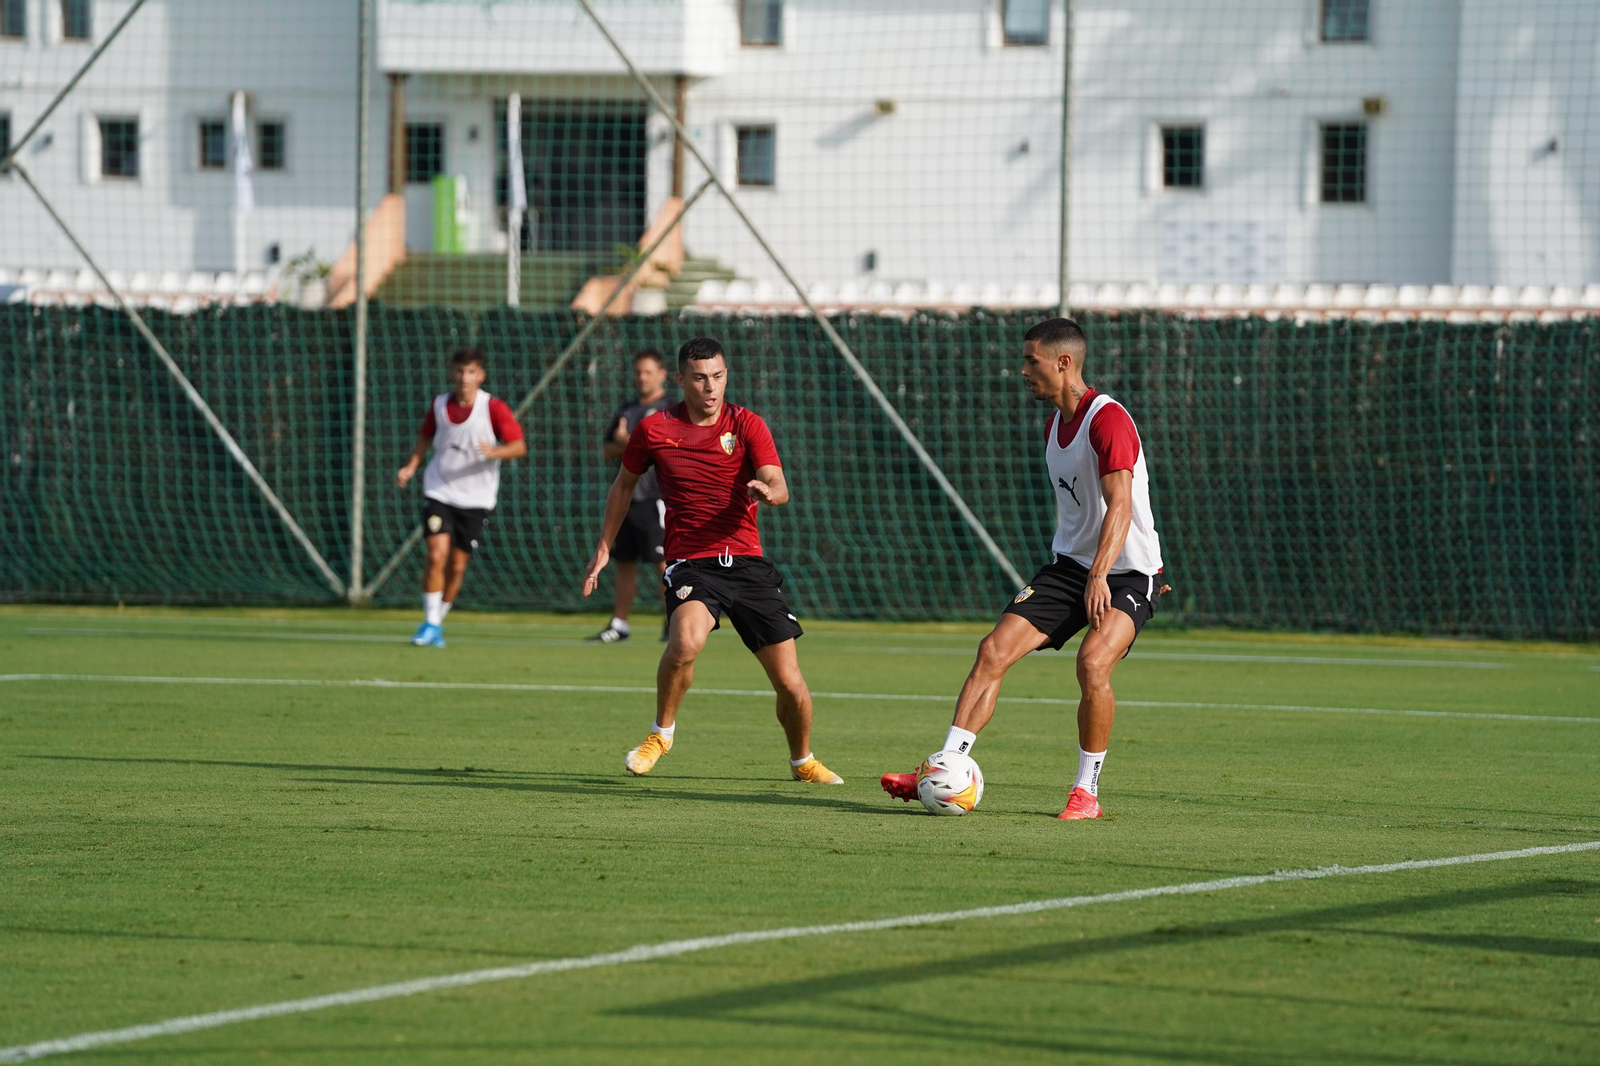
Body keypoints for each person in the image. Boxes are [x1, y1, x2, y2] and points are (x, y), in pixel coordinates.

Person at [880, 318, 1169, 819]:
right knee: (992, 651)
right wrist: (1084, 571)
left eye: (1030, 361)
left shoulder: (1108, 419)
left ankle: (1087, 792)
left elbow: (1119, 504)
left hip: (1127, 573)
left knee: (1092, 664)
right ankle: (945, 766)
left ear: (1064, 362)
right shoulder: (1054, 424)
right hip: (1069, 567)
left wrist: (1100, 574)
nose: (1022, 371)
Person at [581, 336, 843, 786]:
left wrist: (769, 492)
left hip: (747, 563)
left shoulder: (747, 424)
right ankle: (661, 734)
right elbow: (623, 485)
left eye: (718, 376)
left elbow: (778, 484)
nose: (710, 387)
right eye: (700, 378)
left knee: (791, 684)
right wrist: (604, 546)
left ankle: (803, 761)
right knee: (685, 643)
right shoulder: (654, 429)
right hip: (690, 562)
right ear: (680, 380)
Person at [396, 348, 527, 648]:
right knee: (436, 555)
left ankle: (436, 621)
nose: (464, 378)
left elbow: (518, 446)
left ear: (481, 375)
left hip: (476, 499)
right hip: (439, 490)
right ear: (452, 373)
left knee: (456, 566)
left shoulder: (493, 408)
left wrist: (496, 452)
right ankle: (430, 623)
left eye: (471, 372)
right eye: (459, 371)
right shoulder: (440, 405)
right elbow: (425, 437)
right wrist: (411, 465)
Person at [589, 349, 674, 643]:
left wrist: (633, 443)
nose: (642, 378)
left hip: (655, 498)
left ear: (662, 375)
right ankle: (619, 624)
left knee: (664, 564)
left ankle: (673, 621)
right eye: (638, 372)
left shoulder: (671, 409)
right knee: (624, 562)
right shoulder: (627, 410)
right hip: (626, 498)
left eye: (648, 372)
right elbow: (606, 450)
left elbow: (668, 450)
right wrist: (626, 444)